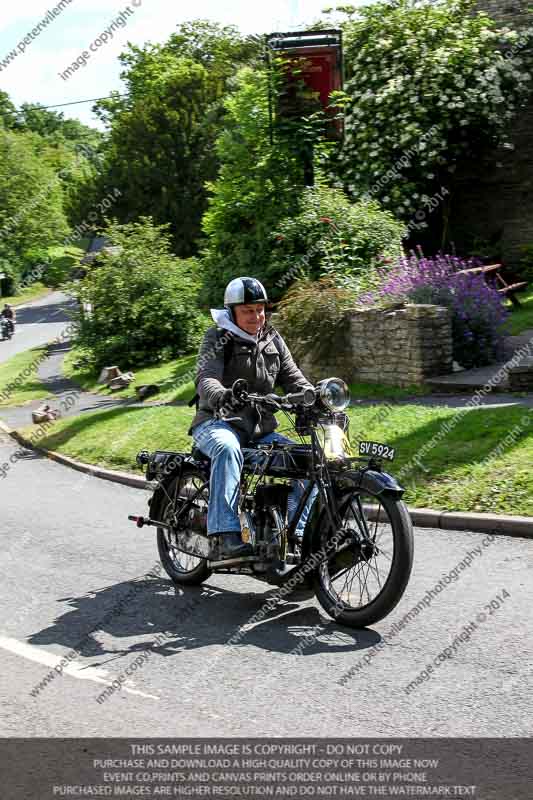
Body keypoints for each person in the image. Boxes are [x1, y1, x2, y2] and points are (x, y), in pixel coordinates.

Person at [190, 277, 318, 560]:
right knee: (227, 448)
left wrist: (314, 396)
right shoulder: (218, 337)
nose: (256, 316)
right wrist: (222, 395)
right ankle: (225, 535)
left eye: (260, 309)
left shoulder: (272, 338)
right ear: (232, 311)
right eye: (248, 310)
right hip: (216, 423)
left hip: (260, 432)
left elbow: (294, 379)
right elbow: (205, 377)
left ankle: (297, 536)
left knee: (311, 460)